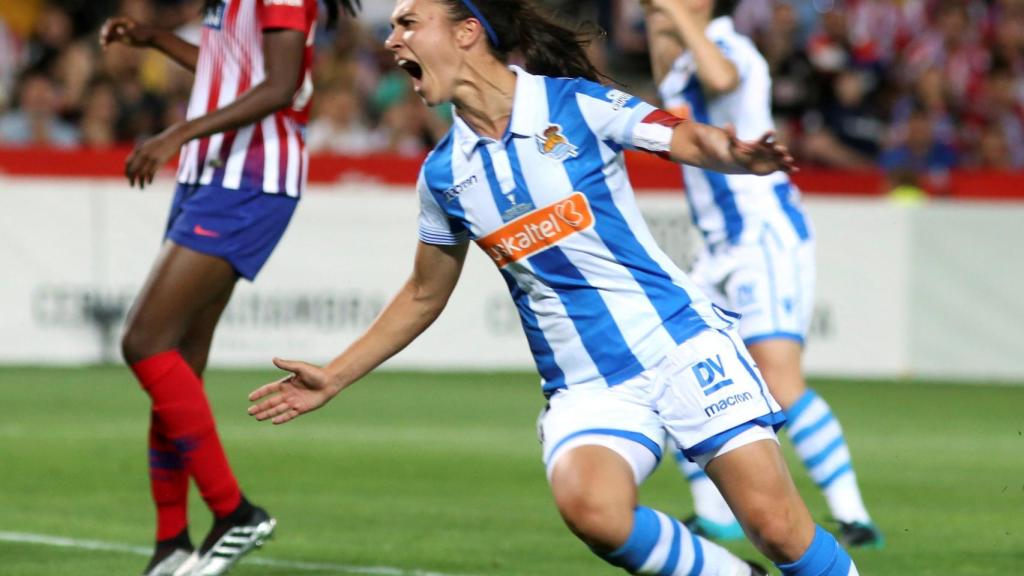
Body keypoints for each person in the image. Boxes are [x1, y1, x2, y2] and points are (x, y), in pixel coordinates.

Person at [248, 1, 860, 574]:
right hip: (585, 384)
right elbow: (423, 293)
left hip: (680, 344)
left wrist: (735, 154)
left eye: (409, 22)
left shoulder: (576, 104)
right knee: (592, 509)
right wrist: (335, 375)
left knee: (779, 529)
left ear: (467, 32)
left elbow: (683, 135)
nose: (391, 38)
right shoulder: (443, 174)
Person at [99, 0, 360, 574]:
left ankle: (234, 513)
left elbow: (280, 85)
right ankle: (171, 546)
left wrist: (176, 133)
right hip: (212, 174)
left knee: (144, 342)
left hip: (251, 177)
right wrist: (153, 39)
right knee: (176, 367)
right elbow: (231, 71)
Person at [641, 0, 883, 548]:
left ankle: (852, 513)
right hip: (718, 245)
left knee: (778, 378)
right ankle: (716, 514)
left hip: (762, 233)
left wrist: (681, 15)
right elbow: (664, 49)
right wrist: (665, 15)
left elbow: (719, 77)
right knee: (677, 365)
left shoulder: (730, 47)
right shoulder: (679, 62)